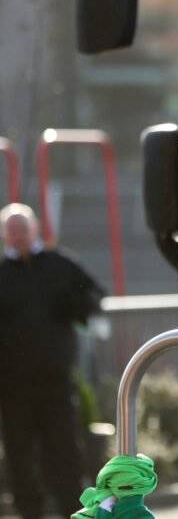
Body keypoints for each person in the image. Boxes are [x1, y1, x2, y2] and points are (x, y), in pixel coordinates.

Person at [0, 203, 104, 519]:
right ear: (4, 235)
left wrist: (73, 304)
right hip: (12, 387)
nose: (17, 236)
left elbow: (94, 295)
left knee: (64, 451)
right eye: (11, 231)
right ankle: (29, 512)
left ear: (34, 229)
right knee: (19, 454)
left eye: (22, 229)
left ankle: (73, 510)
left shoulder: (60, 265)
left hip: (56, 382)